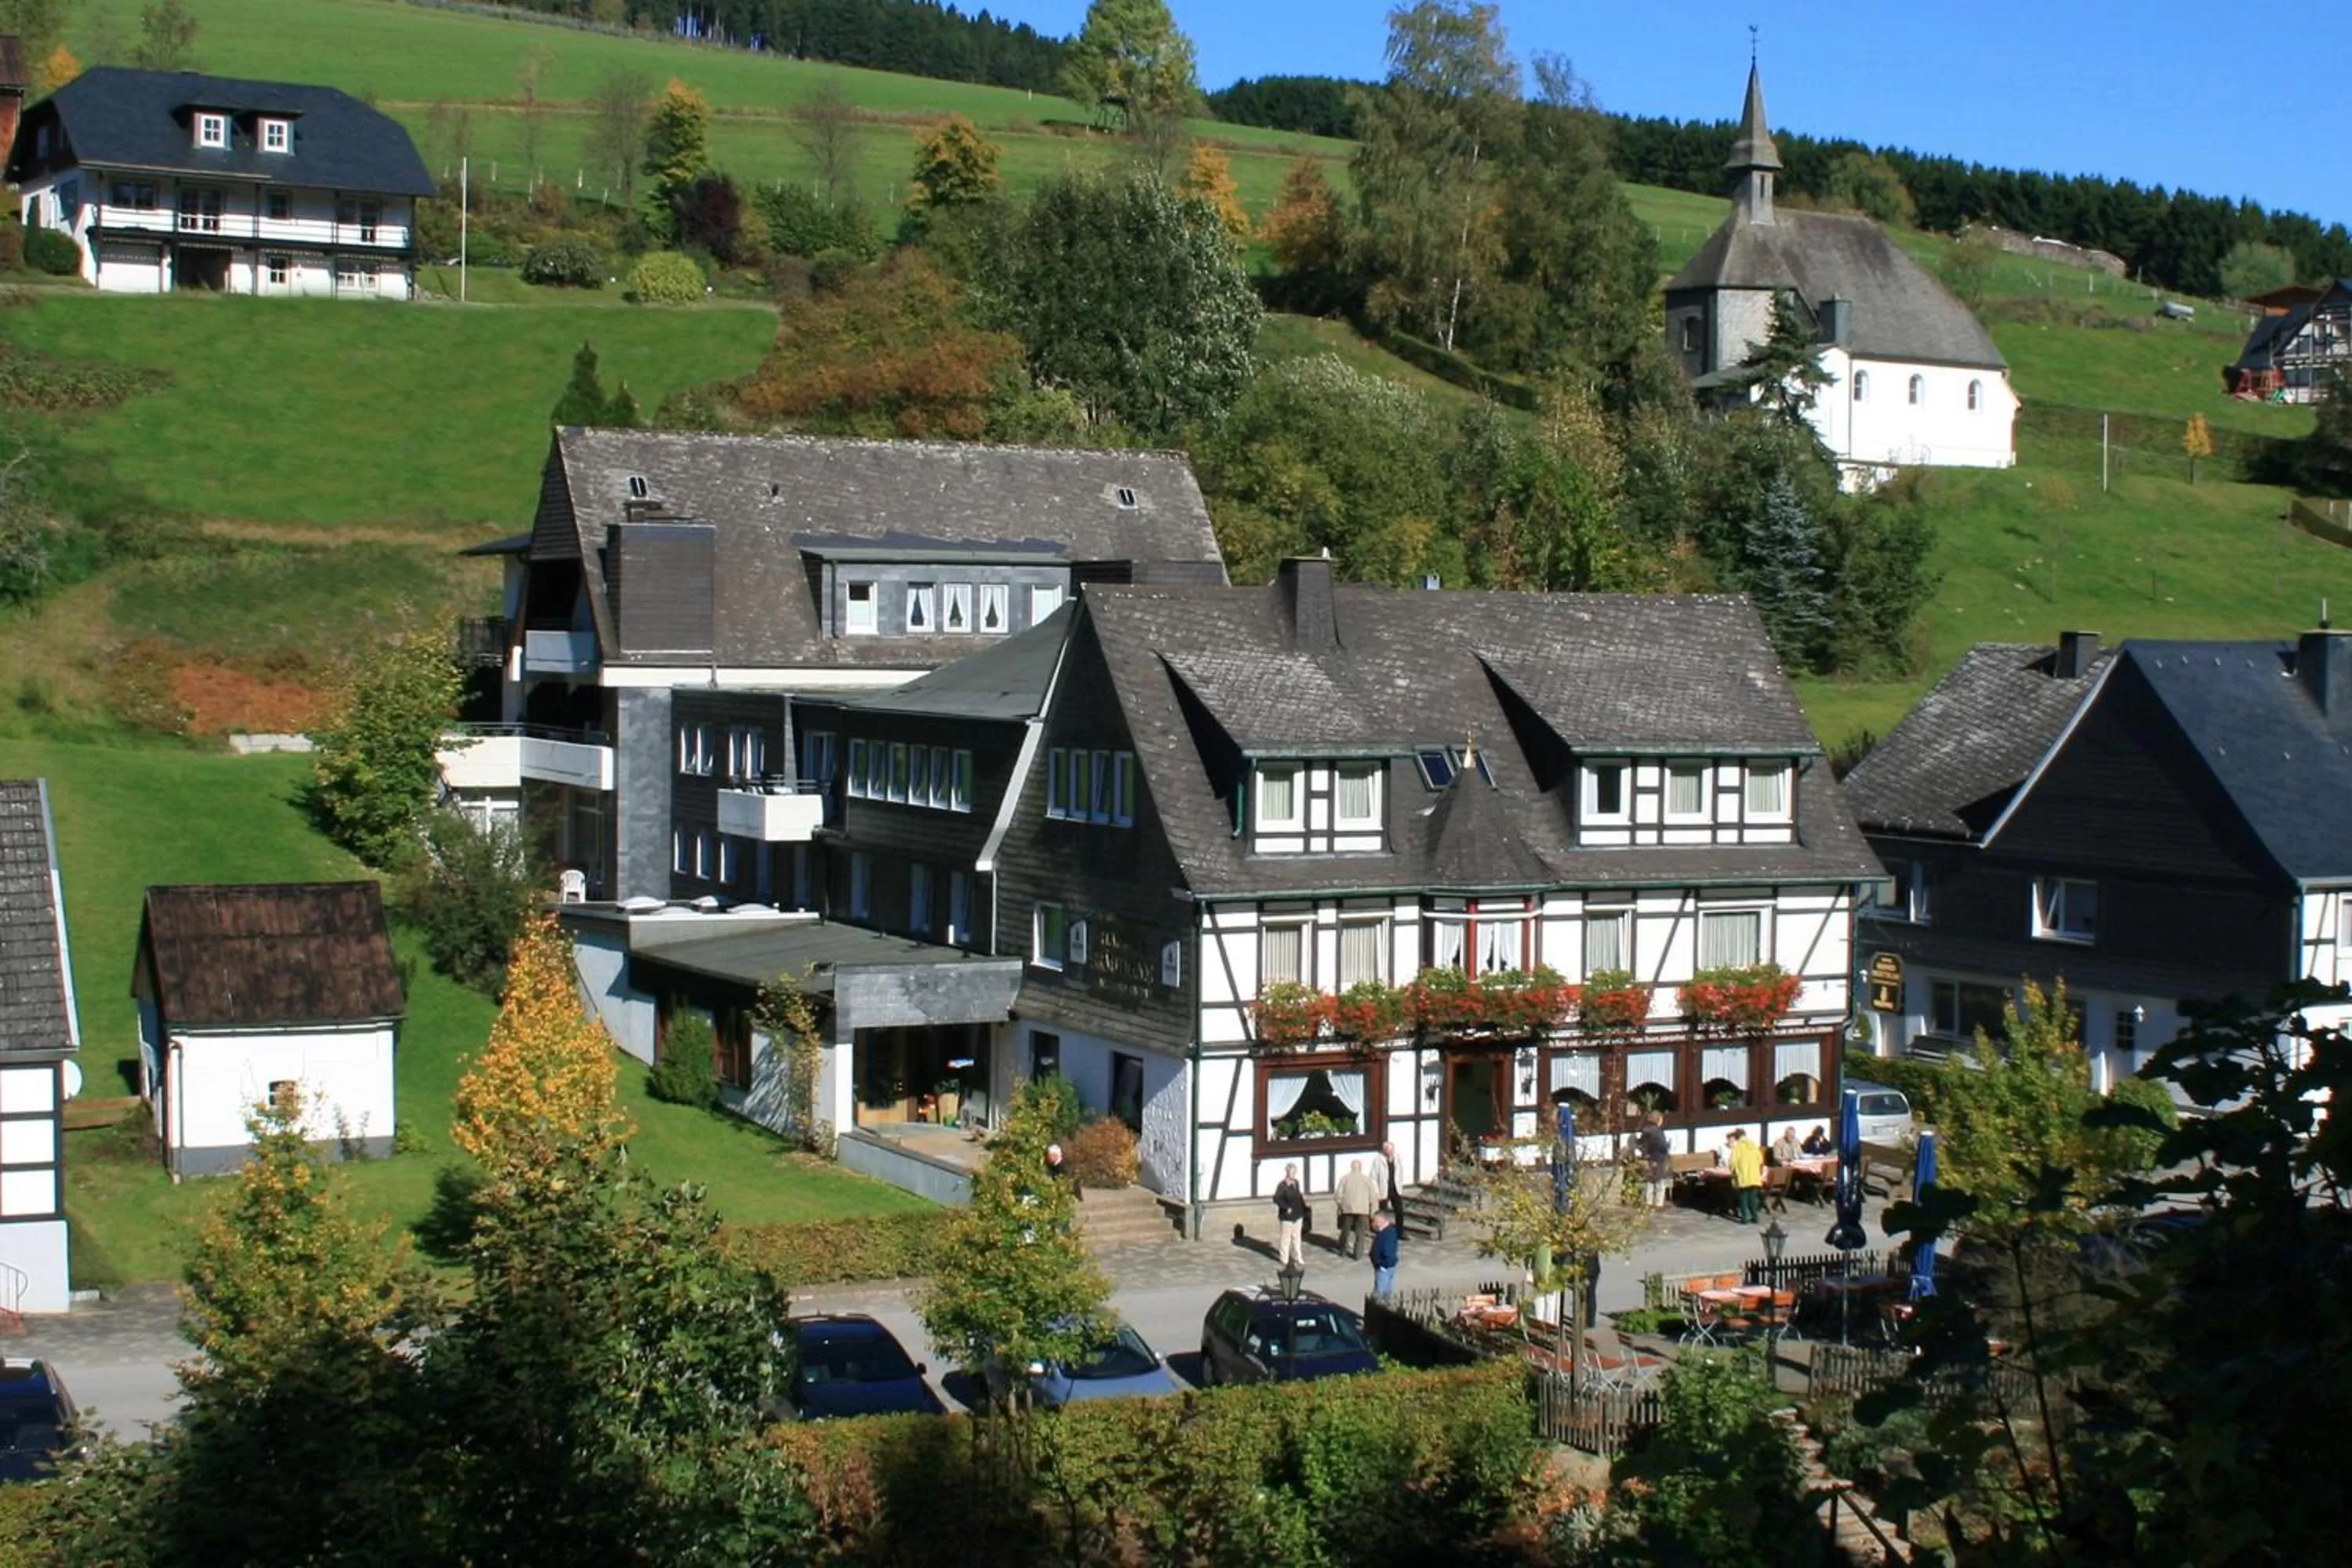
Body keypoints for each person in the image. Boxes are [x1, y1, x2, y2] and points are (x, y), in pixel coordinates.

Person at [1336, 1158, 1377, 1260]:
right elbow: (1373, 1197)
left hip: (1348, 1210)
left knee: (1345, 1231)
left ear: (1351, 1167)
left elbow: (1337, 1195)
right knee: (1360, 1233)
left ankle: (1343, 1251)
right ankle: (1358, 1254)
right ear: (1361, 1168)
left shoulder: (1344, 1178)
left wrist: (1341, 1206)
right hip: (1363, 1210)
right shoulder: (1367, 1180)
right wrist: (1373, 1212)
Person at [1726, 1128, 1766, 1225]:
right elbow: (1760, 1160)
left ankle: (1744, 1218)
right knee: (1753, 1197)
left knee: (1743, 1198)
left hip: (1743, 1176)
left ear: (1736, 1137)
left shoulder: (1738, 1147)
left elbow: (1732, 1162)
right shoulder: (1753, 1145)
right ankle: (1755, 1217)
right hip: (1754, 1176)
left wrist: (1733, 1171)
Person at [1272, 1163, 1308, 1267]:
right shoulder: (1282, 1185)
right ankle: (1284, 1258)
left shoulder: (1296, 1183)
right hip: (1287, 1216)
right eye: (1292, 1172)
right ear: (1287, 1172)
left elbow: (1298, 1196)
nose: (1294, 1174)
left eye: (1295, 1172)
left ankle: (1298, 1256)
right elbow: (1276, 1198)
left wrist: (1304, 1205)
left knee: (1297, 1237)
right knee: (1286, 1238)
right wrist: (1285, 1207)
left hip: (1298, 1214)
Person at [1635, 1112, 1672, 1210]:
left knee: (1649, 1181)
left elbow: (1641, 1144)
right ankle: (1659, 1204)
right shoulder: (1658, 1132)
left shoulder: (1645, 1131)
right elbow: (1662, 1146)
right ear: (1658, 1120)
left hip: (1648, 1158)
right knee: (1660, 1182)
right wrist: (1668, 1146)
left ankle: (1648, 1202)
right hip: (1659, 1158)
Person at [1369, 1210, 1401, 1296]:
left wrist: (1383, 1265)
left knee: (1380, 1293)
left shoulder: (1388, 1233)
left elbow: (1388, 1251)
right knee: (1385, 1292)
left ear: (1380, 1220)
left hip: (1384, 1268)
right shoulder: (1383, 1231)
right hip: (1383, 1266)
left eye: (1374, 1220)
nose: (1373, 1223)